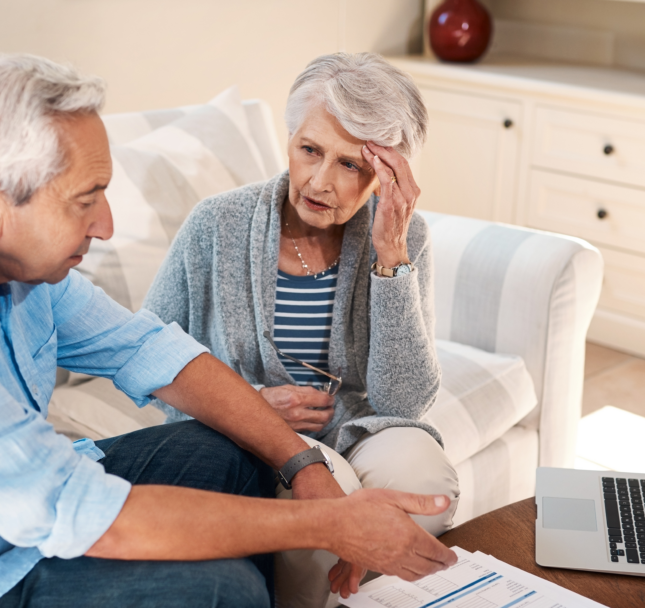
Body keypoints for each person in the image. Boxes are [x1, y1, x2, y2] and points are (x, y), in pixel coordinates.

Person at [0, 53, 458, 608]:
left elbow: (149, 348)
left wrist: (302, 462)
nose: (105, 225)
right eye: (86, 199)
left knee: (229, 454)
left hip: (9, 526)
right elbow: (74, 509)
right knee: (223, 592)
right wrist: (330, 521)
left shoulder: (1, 258)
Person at [144, 53, 460, 608]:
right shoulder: (216, 224)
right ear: (289, 137)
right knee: (324, 496)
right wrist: (250, 403)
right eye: (310, 150)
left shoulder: (405, 237)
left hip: (360, 428)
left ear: (386, 176)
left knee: (422, 475)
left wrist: (391, 254)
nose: (320, 181)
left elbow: (405, 401)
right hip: (255, 439)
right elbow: (150, 356)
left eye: (350, 165)